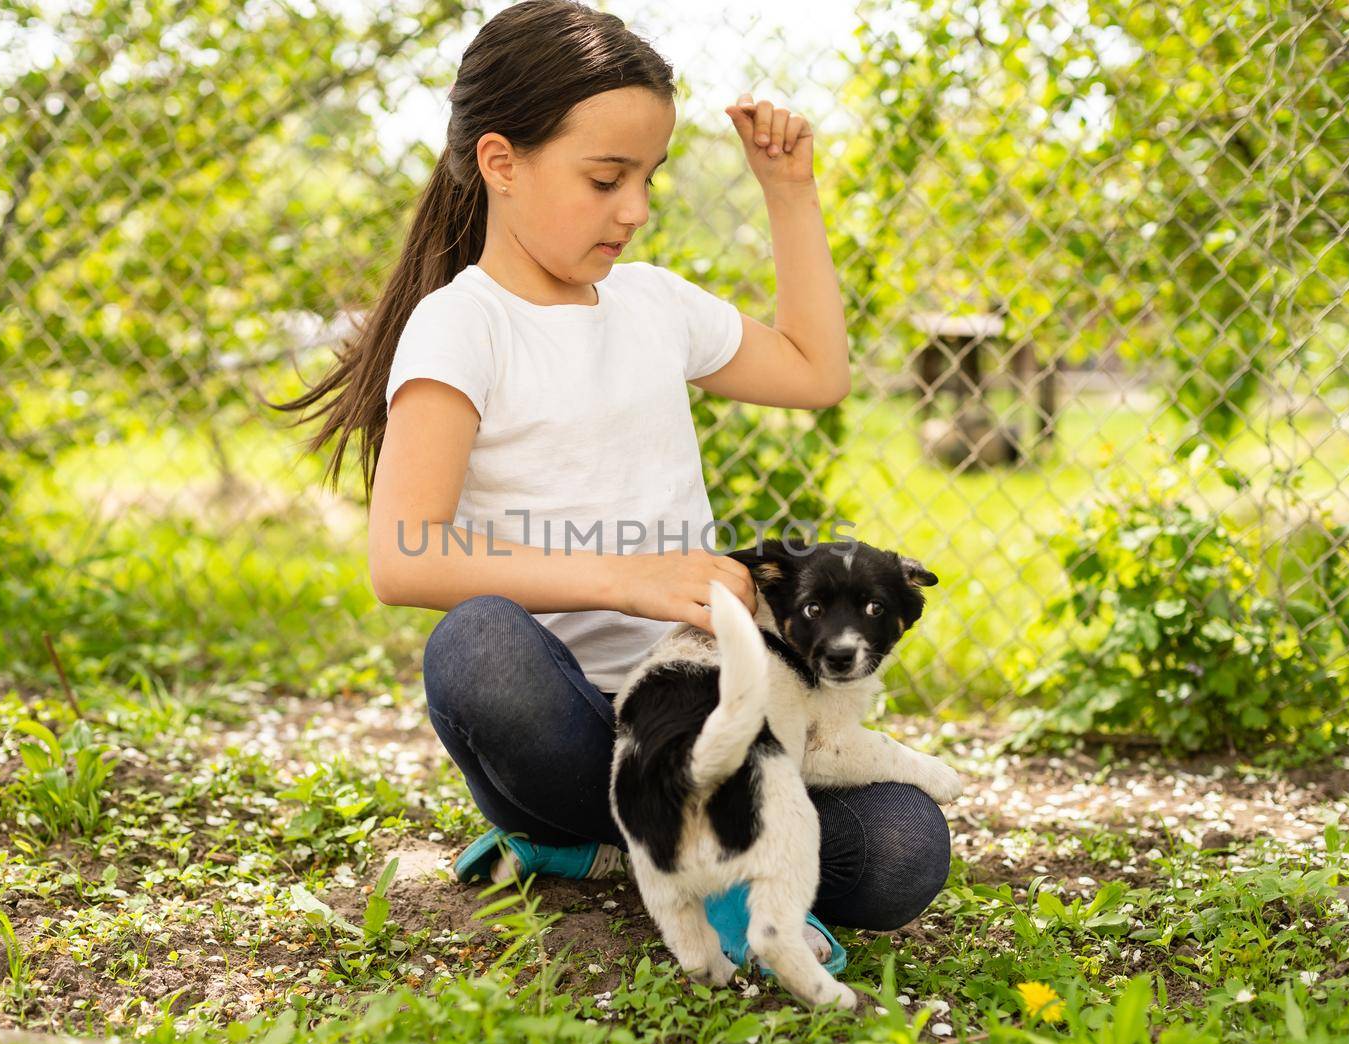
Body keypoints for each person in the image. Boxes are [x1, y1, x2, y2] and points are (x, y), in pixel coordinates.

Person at [271, 0, 951, 975]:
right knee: (478, 649)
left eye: (646, 177)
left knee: (904, 847)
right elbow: (401, 554)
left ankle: (626, 852)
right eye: (603, 178)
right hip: (572, 732)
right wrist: (626, 578)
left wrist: (790, 193)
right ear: (500, 162)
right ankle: (680, 857)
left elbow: (814, 372)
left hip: (712, 719)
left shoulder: (653, 303)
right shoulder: (461, 328)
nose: (632, 207)